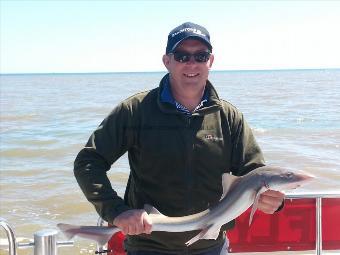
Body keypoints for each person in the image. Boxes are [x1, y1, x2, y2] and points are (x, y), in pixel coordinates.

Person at [74, 22, 285, 255]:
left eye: (200, 56)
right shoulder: (136, 110)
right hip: (148, 246)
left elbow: (255, 174)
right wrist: (116, 211)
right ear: (167, 61)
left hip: (211, 246)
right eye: (182, 56)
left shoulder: (228, 116)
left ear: (210, 61)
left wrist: (271, 199)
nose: (192, 63)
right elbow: (88, 162)